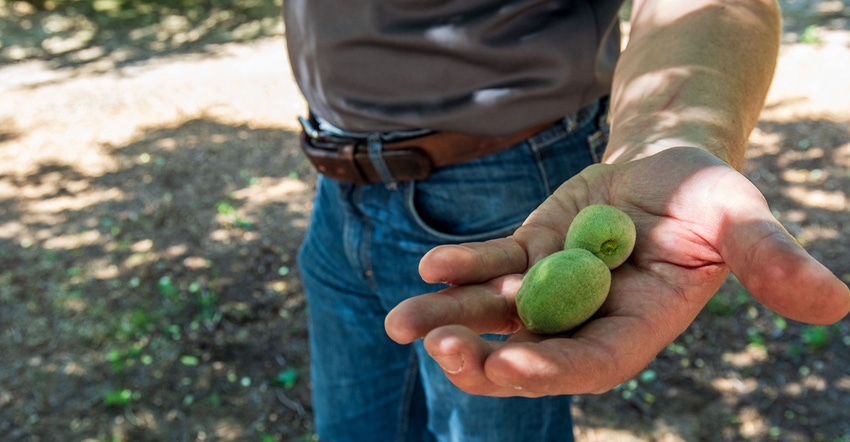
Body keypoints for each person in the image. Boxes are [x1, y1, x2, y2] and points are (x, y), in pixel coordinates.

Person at [285, 0, 850, 439]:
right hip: (335, 187)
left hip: (512, 175)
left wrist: (667, 141)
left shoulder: (586, 244)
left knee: (495, 410)